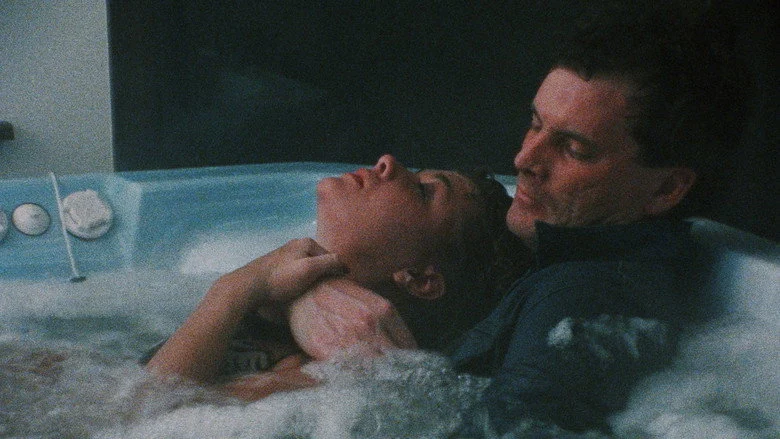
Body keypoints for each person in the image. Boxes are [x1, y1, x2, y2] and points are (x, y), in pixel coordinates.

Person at [282, 2, 747, 434]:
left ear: (665, 190)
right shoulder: (568, 270)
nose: (524, 159)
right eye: (535, 124)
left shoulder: (583, 297)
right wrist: (301, 290)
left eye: (573, 149)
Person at [144, 154, 528, 396]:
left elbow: (145, 421)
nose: (388, 162)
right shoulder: (278, 294)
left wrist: (235, 289)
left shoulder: (325, 378)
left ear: (420, 278)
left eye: (422, 192)